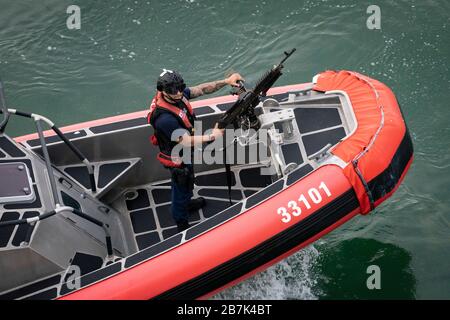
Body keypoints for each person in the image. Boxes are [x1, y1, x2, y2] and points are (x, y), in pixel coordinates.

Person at [147, 69, 244, 232]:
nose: (178, 93)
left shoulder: (175, 94)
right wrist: (211, 136)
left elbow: (201, 89)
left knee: (188, 180)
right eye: (173, 90)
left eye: (180, 87)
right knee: (181, 186)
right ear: (163, 90)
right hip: (177, 156)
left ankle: (187, 202)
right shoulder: (164, 119)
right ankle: (181, 222)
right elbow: (184, 140)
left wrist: (226, 81)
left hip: (186, 150)